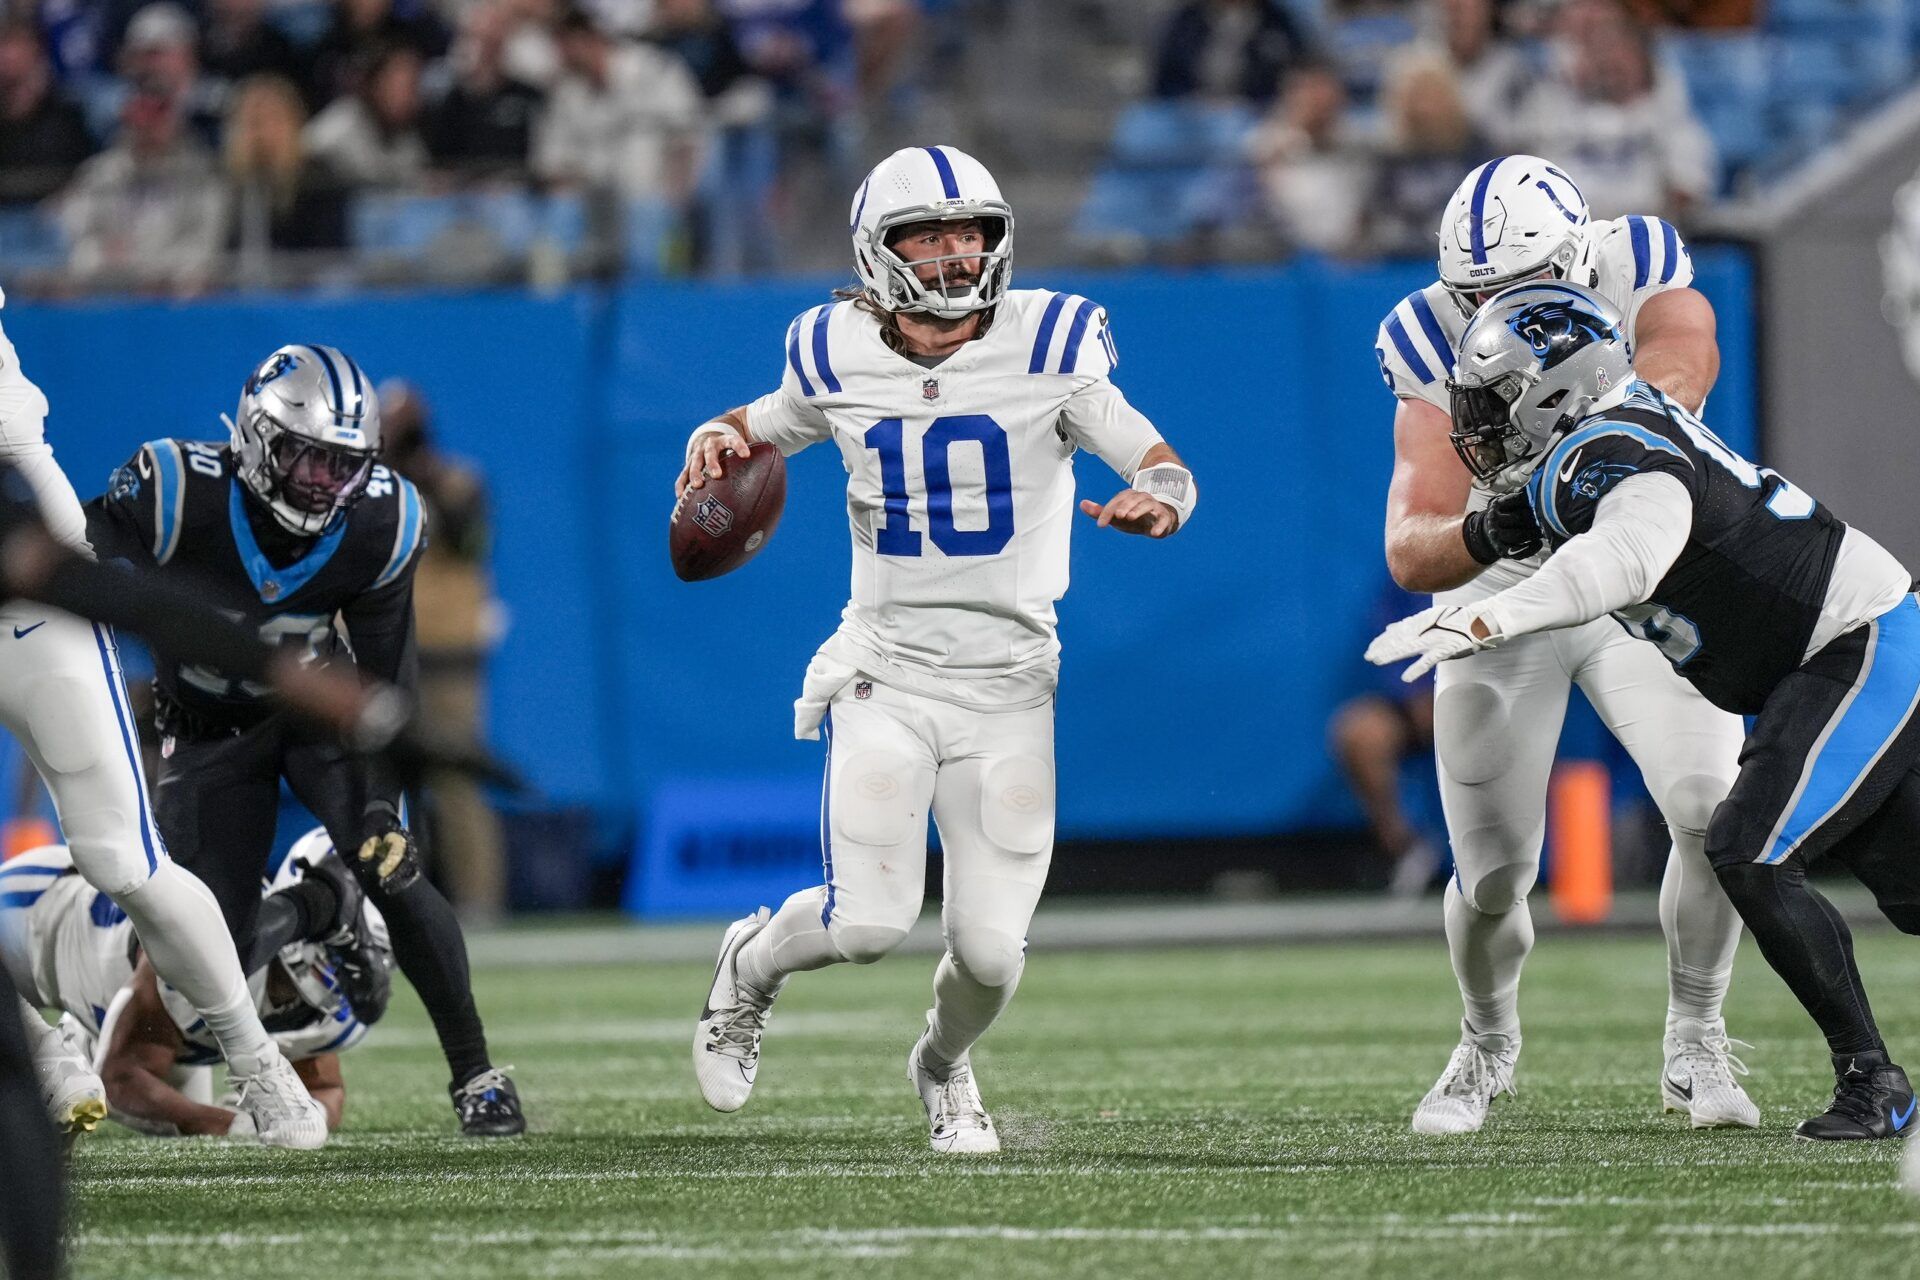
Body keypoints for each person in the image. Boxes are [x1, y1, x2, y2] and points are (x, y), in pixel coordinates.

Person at [684, 145, 1196, 1154]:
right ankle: (749, 966)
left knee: (991, 953)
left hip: (1011, 682)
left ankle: (943, 1063)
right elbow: (772, 422)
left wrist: (1163, 499)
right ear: (882, 252)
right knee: (869, 922)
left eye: (972, 234)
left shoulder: (1052, 340)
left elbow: (1154, 452)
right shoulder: (834, 349)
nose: (959, 255)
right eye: (932, 235)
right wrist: (719, 427)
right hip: (889, 668)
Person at [1368, 282, 1919, 1140]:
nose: (1471, 422)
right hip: (1831, 656)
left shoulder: (1614, 446)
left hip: (1863, 642)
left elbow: (1625, 557)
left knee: (1746, 847)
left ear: (1552, 389)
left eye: (1492, 401)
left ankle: (1873, 1083)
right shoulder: (1596, 433)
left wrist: (1490, 611)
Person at [1373, 155, 1752, 1135]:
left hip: (1644, 566)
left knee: (1714, 809)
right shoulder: (1424, 331)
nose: (1500, 308)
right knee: (1494, 868)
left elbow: (1689, 352)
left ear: (1580, 258)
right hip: (1515, 585)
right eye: (1480, 294)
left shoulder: (1637, 256)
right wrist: (1490, 530)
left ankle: (1698, 1035)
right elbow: (1413, 542)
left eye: (1522, 282)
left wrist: (1615, 427)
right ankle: (1486, 1036)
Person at [83, 344, 525, 1137]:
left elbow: (388, 675)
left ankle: (477, 1075)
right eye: (309, 460)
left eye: (344, 466)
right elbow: (80, 591)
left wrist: (385, 810)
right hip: (206, 726)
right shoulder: (173, 489)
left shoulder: (385, 518)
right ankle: (319, 905)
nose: (328, 484)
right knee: (213, 947)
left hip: (320, 714)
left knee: (394, 868)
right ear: (257, 437)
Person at [1, 827, 389, 1138]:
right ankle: (63, 1047)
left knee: (180, 1111)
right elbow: (120, 1079)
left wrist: (311, 1114)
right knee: (54, 1097)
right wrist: (232, 1125)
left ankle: (87, 1036)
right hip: (37, 912)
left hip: (112, 1000)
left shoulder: (330, 1014)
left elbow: (325, 1091)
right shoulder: (214, 946)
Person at [380, 382, 508, 919]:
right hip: (385, 653)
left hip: (449, 657)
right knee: (387, 791)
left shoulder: (457, 481)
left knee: (457, 785)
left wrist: (426, 478)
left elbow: (470, 541)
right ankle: (399, 902)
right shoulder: (372, 488)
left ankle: (479, 903)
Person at [1507, 0, 1715, 220]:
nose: (1612, 60)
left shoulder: (1665, 103)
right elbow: (1522, 164)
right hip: (1567, 233)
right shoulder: (1553, 97)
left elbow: (1690, 183)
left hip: (1642, 236)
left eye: (1621, 48)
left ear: (1641, 56)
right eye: (1602, 48)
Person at [55, 83, 229, 294]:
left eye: (159, 114)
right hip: (106, 289)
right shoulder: (101, 172)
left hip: (172, 294)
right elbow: (73, 230)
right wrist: (101, 254)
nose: (150, 125)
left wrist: (143, 263)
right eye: (143, 113)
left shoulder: (201, 176)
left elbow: (204, 245)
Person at [0, 19, 96, 206]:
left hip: (58, 210)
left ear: (35, 52)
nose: (5, 57)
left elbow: (84, 173)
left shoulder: (67, 113)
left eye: (12, 46)